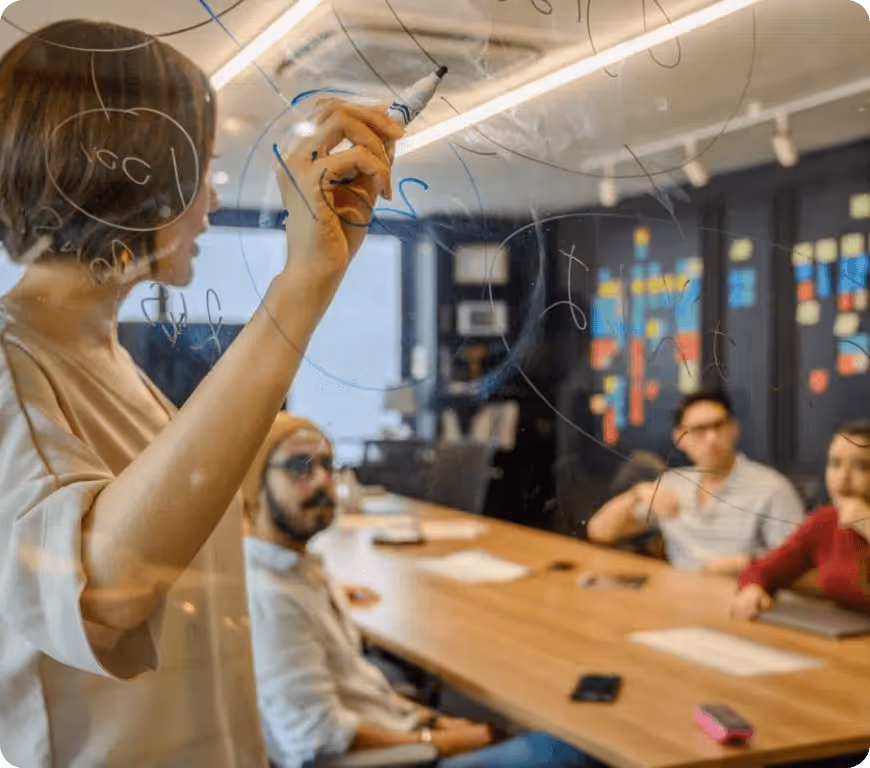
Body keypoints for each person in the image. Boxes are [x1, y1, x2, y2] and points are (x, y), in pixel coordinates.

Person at [0, 19, 401, 767]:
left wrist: (312, 279)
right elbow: (103, 594)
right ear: (130, 176)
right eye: (198, 174)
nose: (210, 203)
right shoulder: (10, 364)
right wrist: (300, 287)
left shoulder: (115, 368)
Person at [242, 413, 602, 768]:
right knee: (573, 748)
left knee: (531, 726)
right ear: (254, 483)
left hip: (396, 730)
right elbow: (318, 741)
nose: (322, 481)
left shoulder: (297, 571)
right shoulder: (273, 598)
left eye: (326, 464)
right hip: (394, 759)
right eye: (300, 468)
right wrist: (445, 741)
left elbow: (362, 690)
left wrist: (433, 721)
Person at [587, 390, 805, 575]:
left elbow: (802, 563)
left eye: (719, 426)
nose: (711, 438)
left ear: (733, 429)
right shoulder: (672, 484)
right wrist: (636, 494)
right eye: (699, 430)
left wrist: (749, 563)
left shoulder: (772, 488)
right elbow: (600, 532)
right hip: (680, 601)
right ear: (680, 438)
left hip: (743, 601)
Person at [732, 421, 870, 619]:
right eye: (835, 463)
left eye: (860, 466)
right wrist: (752, 589)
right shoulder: (825, 521)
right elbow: (762, 570)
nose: (842, 477)